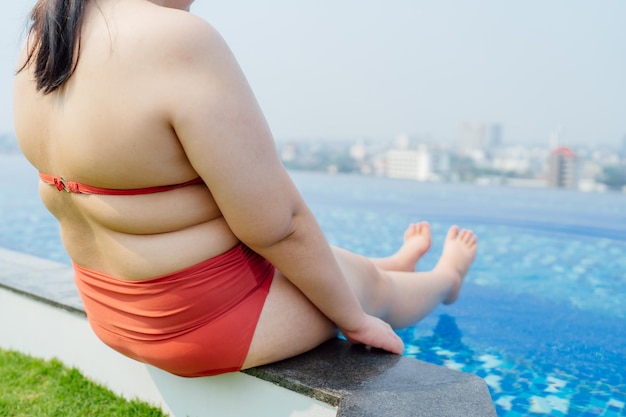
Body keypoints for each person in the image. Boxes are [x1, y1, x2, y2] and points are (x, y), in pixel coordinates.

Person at [14, 0, 477, 378]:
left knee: (331, 262)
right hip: (200, 326)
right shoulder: (177, 38)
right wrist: (356, 320)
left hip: (108, 312)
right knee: (372, 289)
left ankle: (392, 263)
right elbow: (279, 225)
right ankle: (445, 280)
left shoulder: (45, 32)